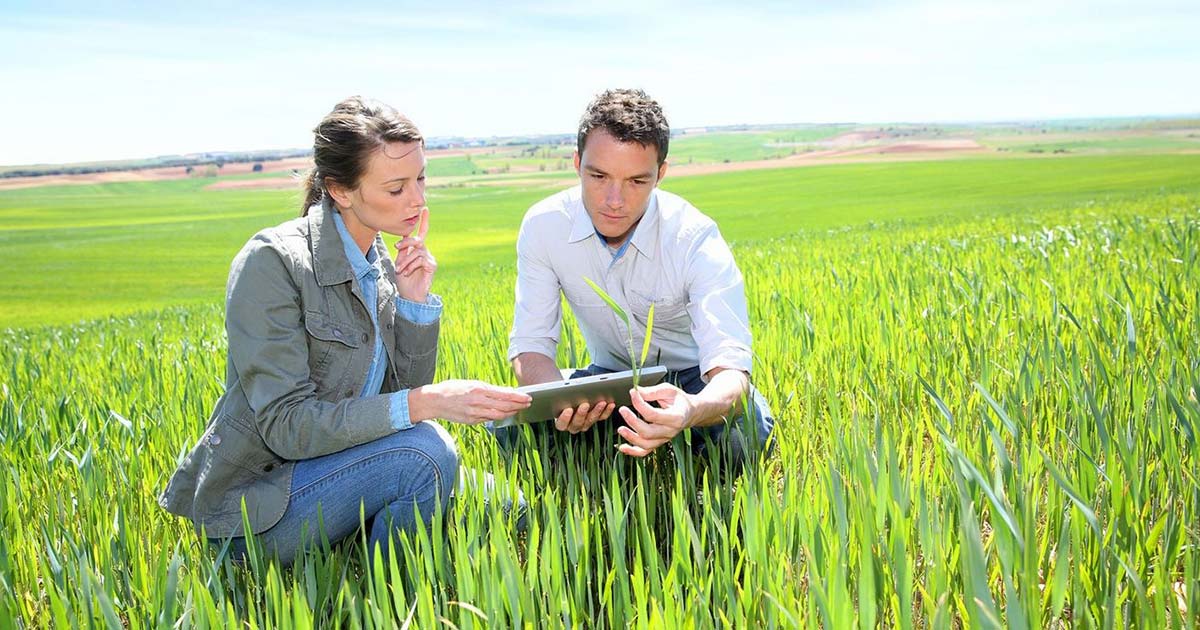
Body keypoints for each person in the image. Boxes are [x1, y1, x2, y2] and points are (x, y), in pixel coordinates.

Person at [158, 97, 531, 567]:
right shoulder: (272, 264)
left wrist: (414, 303)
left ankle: (371, 528)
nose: (418, 199)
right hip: (263, 508)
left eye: (421, 179)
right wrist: (432, 402)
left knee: (516, 511)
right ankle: (396, 601)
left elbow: (395, 400)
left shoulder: (380, 262)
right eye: (396, 188)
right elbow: (287, 427)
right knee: (426, 456)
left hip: (350, 465)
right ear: (340, 189)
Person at [498, 88, 774, 470]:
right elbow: (531, 347)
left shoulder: (693, 237)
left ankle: (671, 450)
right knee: (510, 428)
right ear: (577, 163)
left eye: (636, 181)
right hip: (606, 384)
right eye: (598, 176)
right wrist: (558, 402)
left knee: (745, 435)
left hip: (691, 383)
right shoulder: (544, 226)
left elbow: (730, 371)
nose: (614, 200)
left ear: (661, 174)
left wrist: (691, 409)